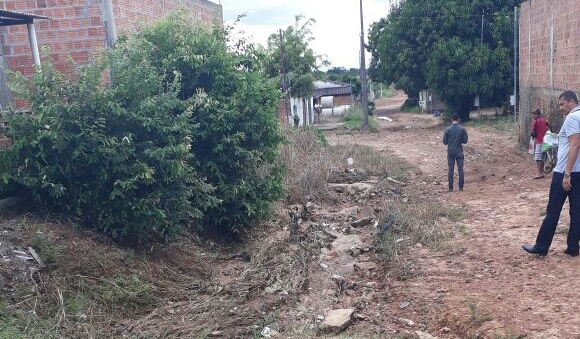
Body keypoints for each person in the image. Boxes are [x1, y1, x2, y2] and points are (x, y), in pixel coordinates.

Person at [523, 90, 580, 257]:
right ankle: (573, 247)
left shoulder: (571, 118)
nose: (561, 108)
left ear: (571, 101)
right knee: (577, 211)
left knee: (553, 210)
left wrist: (567, 174)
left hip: (564, 172)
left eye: (562, 104)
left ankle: (541, 246)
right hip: (579, 172)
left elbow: (575, 145)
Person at [443, 114, 468, 191]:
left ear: (451, 119)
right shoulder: (462, 129)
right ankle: (461, 187)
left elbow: (445, 142)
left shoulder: (447, 129)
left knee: (451, 170)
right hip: (459, 152)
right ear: (458, 120)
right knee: (460, 170)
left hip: (450, 152)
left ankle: (450, 188)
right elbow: (465, 141)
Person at [530, 109, 550, 179]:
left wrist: (533, 137)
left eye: (534, 114)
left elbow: (532, 132)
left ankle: (539, 173)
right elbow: (548, 128)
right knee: (542, 157)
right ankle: (542, 173)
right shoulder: (544, 120)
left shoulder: (535, 121)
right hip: (546, 142)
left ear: (538, 114)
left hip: (539, 141)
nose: (533, 116)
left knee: (538, 158)